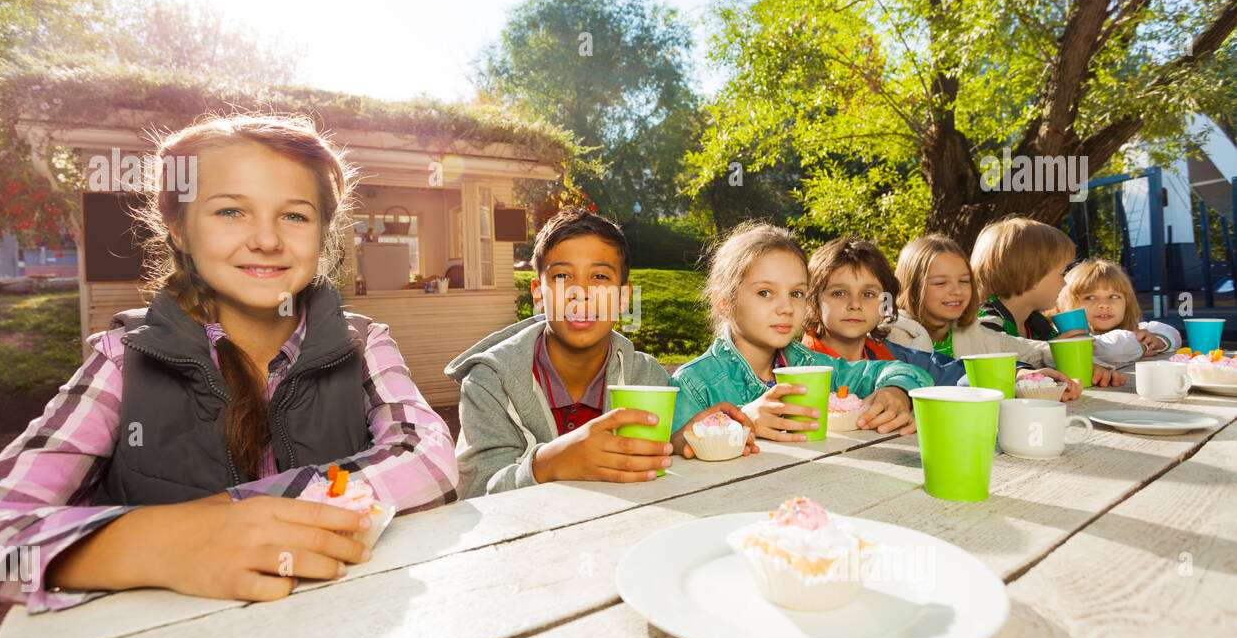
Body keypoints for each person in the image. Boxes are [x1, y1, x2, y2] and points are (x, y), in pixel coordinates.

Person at [0, 115, 459, 622]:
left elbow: (430, 460)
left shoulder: (359, 342)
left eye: (295, 215)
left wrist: (237, 513)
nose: (267, 239)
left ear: (322, 233)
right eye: (231, 211)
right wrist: (153, 541)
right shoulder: (124, 359)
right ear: (178, 228)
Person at [445, 208, 756, 498]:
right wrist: (547, 464)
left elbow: (661, 477)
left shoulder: (645, 376)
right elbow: (473, 495)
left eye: (599, 277)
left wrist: (677, 444)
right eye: (562, 276)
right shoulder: (488, 382)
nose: (581, 293)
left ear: (623, 298)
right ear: (539, 295)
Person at [672, 222, 933, 443]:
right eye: (765, 292)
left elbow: (903, 371)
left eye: (796, 293)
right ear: (724, 302)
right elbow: (673, 446)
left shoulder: (814, 367)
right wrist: (741, 422)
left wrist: (895, 391)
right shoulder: (694, 384)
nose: (786, 308)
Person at [801, 236, 1080, 399]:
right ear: (813, 302)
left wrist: (1021, 374)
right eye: (839, 294)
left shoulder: (893, 355)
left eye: (869, 294)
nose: (854, 304)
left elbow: (956, 371)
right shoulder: (791, 360)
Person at [887, 234, 1126, 388]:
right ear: (912, 287)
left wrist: (1087, 363)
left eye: (964, 281)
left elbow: (1032, 351)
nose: (956, 291)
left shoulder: (971, 332)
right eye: (940, 283)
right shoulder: (893, 335)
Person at [1055, 259, 1182, 366]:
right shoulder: (1057, 337)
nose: (1104, 305)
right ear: (1067, 303)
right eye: (1090, 297)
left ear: (1127, 302)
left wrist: (1157, 341)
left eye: (1114, 296)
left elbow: (1171, 333)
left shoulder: (1135, 331)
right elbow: (1116, 349)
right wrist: (1141, 347)